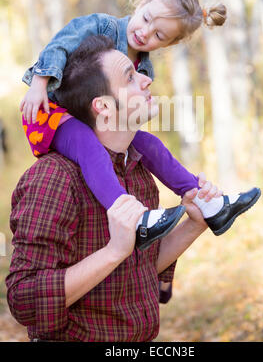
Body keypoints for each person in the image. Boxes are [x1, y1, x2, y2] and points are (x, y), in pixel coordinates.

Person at [20, 0, 261, 247]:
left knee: (148, 143)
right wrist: (39, 82)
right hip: (50, 112)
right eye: (146, 19)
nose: (145, 33)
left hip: (93, 117)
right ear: (142, 3)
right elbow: (60, 44)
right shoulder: (103, 26)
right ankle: (130, 219)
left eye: (159, 36)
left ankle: (208, 204)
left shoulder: (144, 68)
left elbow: (125, 120)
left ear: (170, 43)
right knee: (87, 145)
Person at [6, 35, 215, 342]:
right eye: (130, 77)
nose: (145, 80)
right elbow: (24, 300)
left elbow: (138, 268)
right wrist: (113, 251)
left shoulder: (138, 168)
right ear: (103, 106)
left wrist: (195, 224)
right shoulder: (55, 178)